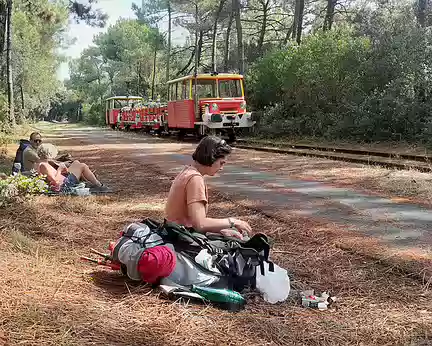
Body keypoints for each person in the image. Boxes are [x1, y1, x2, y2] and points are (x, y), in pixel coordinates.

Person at [164, 136, 252, 240]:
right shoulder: (195, 179)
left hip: (174, 233)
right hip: (182, 239)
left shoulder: (187, 172)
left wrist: (221, 230)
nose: (221, 168)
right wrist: (233, 222)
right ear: (211, 157)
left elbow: (195, 223)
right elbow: (200, 224)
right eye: (221, 163)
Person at [35, 143, 108, 194]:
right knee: (82, 165)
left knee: (76, 163)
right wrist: (60, 169)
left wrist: (62, 169)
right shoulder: (43, 165)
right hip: (64, 185)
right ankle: (98, 185)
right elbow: (56, 182)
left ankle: (90, 183)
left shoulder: (44, 163)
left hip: (64, 180)